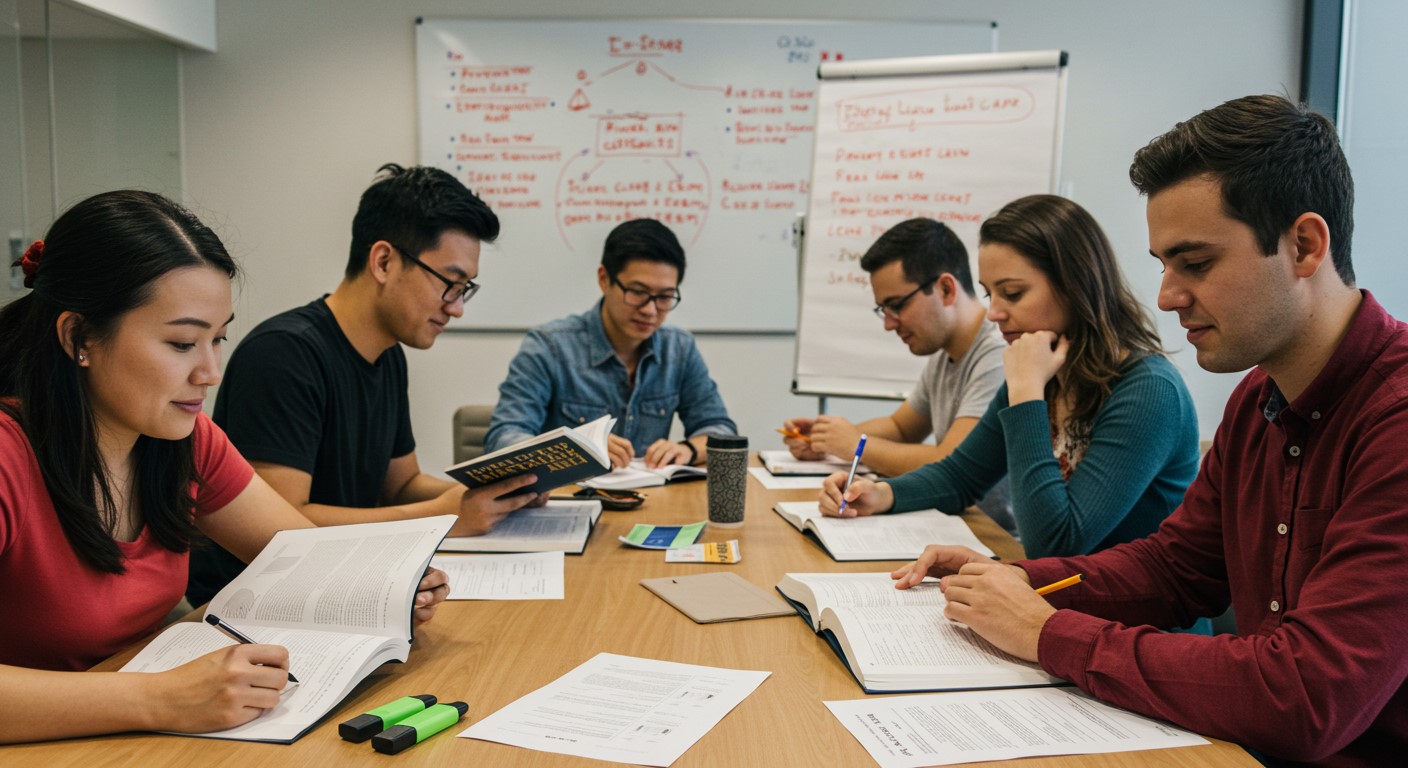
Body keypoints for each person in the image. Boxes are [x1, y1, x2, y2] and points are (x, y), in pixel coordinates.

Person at [891, 95, 1408, 766]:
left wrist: (1047, 633)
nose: (1167, 296)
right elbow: (1176, 568)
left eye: (1196, 263)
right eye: (1164, 264)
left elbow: (1306, 697)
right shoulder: (1258, 398)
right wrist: (1017, 578)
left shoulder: (1393, 419)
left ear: (1304, 246)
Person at [0, 190, 449, 743]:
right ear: (79, 337)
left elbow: (306, 559)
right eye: (182, 343)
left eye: (218, 339)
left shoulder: (186, 440)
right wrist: (159, 697)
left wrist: (387, 589)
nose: (210, 372)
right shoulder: (8, 457)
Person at [187, 164, 540, 606]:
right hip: (253, 603)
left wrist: (495, 495)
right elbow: (287, 525)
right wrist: (444, 515)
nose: (456, 308)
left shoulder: (388, 355)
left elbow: (402, 485)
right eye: (450, 284)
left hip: (342, 584)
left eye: (465, 289)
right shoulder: (282, 354)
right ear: (384, 261)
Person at [822, 195, 1200, 560]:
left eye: (1013, 293)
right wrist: (881, 494)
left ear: (1074, 284)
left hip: (1131, 606)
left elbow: (1056, 544)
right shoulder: (1043, 369)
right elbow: (960, 477)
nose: (994, 314)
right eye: (990, 295)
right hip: (1065, 596)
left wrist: (1026, 394)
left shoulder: (1148, 390)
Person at [780, 218, 1011, 529]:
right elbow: (901, 428)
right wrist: (826, 440)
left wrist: (856, 445)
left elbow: (951, 462)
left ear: (945, 289)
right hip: (958, 524)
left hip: (995, 536)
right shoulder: (945, 352)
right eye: (883, 310)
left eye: (896, 305)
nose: (889, 324)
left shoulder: (998, 354)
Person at [484, 218, 737, 469]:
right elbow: (503, 438)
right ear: (604, 279)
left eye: (665, 297)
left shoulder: (679, 349)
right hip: (571, 493)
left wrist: (687, 450)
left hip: (650, 492)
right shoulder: (549, 347)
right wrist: (577, 447)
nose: (650, 310)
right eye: (638, 292)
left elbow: (720, 429)